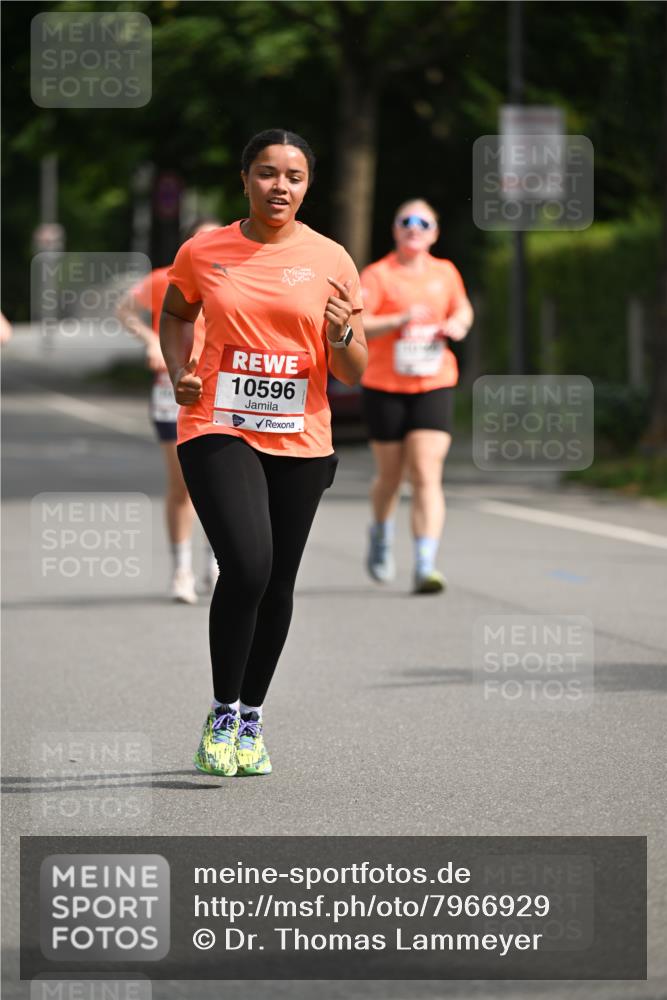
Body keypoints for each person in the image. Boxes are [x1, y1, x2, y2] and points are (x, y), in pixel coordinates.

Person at [160, 129, 367, 776]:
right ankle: (221, 711)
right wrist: (177, 372)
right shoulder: (202, 251)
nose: (281, 186)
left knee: (277, 583)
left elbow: (354, 370)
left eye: (295, 176)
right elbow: (174, 314)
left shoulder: (331, 258)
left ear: (307, 185)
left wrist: (342, 335)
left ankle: (251, 718)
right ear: (244, 178)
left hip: (300, 435)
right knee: (246, 566)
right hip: (216, 424)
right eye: (268, 173)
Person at [360, 199, 473, 594]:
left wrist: (456, 325)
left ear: (434, 233)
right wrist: (398, 320)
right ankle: (380, 532)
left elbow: (463, 310)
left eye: (423, 222)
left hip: (434, 381)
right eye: (405, 220)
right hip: (385, 386)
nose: (413, 227)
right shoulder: (377, 275)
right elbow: (357, 323)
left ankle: (425, 563)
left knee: (426, 472)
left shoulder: (445, 273)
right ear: (394, 229)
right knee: (390, 477)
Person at [117, 220, 220, 604]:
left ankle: (217, 563)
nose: (208, 245)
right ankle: (181, 570)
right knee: (183, 485)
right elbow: (124, 309)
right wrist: (150, 341)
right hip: (171, 391)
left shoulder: (237, 278)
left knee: (221, 486)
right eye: (200, 238)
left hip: (222, 393)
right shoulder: (165, 278)